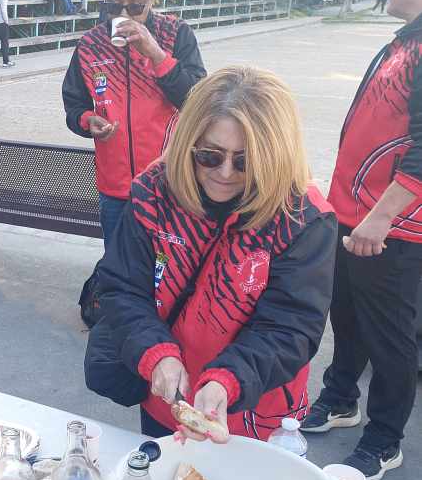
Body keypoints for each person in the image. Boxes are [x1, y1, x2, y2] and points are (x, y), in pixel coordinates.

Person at [84, 66, 337, 442]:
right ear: (189, 144)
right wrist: (157, 354)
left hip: (253, 410)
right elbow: (123, 288)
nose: (224, 173)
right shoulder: (155, 191)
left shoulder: (303, 219)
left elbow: (291, 327)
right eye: (209, 156)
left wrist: (226, 380)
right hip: (169, 395)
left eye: (245, 160)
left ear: (275, 155)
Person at [301, 0, 422, 480]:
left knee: (391, 336)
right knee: (344, 315)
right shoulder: (402, 43)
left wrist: (380, 217)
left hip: (392, 229)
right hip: (354, 216)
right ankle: (341, 397)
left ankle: (384, 437)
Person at [63, 0, 206, 246]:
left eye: (136, 6)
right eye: (114, 6)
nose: (124, 14)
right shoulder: (89, 45)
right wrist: (87, 121)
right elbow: (73, 104)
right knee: (118, 269)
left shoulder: (176, 34)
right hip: (114, 189)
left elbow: (198, 102)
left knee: (169, 270)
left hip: (170, 185)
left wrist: (157, 55)